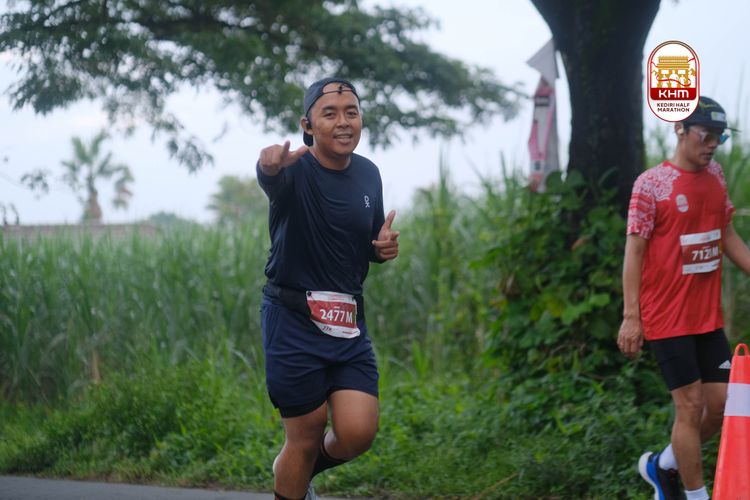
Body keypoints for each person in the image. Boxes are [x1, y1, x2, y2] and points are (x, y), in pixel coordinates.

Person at [256, 77, 399, 500]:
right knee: (305, 434)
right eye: (330, 114)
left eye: (351, 112)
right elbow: (269, 177)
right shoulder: (293, 170)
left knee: (357, 433)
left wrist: (382, 249)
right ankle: (296, 471)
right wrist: (268, 165)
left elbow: (369, 242)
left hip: (347, 323)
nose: (343, 122)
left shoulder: (368, 173)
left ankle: (295, 472)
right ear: (308, 125)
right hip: (293, 319)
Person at [617, 96, 750, 500]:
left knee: (721, 403)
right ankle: (695, 495)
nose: (712, 145)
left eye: (719, 137)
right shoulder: (651, 185)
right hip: (666, 317)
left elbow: (726, 233)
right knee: (689, 406)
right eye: (705, 135)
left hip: (707, 316)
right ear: (680, 129)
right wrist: (631, 316)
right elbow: (634, 252)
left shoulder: (716, 177)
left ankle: (662, 466)